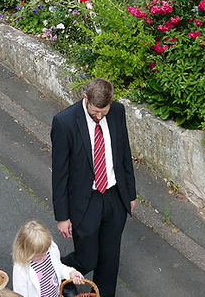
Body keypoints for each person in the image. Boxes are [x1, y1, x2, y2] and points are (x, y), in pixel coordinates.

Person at [51, 78, 136, 297]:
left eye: (103, 112)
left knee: (109, 260)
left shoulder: (117, 112)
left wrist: (130, 193)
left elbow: (124, 153)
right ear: (85, 98)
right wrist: (62, 216)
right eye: (95, 111)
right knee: (87, 258)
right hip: (85, 201)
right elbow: (60, 174)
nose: (99, 116)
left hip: (115, 196)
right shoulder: (65, 122)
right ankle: (53, 271)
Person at [12, 220, 84, 297]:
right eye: (38, 256)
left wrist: (70, 273)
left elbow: (58, 267)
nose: (43, 257)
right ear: (25, 251)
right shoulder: (20, 270)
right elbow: (20, 294)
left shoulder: (51, 249)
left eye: (45, 252)